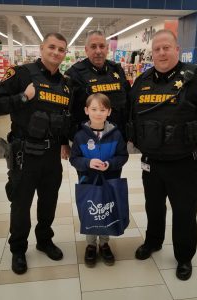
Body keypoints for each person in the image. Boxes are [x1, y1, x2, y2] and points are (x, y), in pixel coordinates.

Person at [128, 29, 197, 281]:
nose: (161, 53)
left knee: (184, 211)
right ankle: (153, 242)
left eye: (166, 48)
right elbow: (132, 116)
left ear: (176, 49)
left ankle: (184, 257)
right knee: (153, 207)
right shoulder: (142, 81)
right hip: (151, 161)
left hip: (184, 161)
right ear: (152, 53)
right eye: (157, 49)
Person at [0, 33, 71, 275]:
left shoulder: (66, 84)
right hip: (25, 154)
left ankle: (44, 240)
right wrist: (24, 97)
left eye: (61, 49)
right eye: (52, 47)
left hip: (52, 155)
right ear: (42, 48)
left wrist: (65, 142)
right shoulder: (21, 73)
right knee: (21, 204)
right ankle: (18, 249)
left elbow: (64, 119)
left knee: (49, 201)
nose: (56, 52)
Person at [69, 93, 128, 267]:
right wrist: (87, 163)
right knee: (91, 212)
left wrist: (109, 164)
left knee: (107, 211)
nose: (98, 113)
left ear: (109, 112)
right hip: (88, 181)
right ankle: (90, 245)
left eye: (102, 110)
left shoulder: (116, 135)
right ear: (86, 110)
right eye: (94, 109)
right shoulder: (80, 136)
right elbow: (74, 159)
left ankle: (104, 243)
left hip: (110, 180)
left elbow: (123, 156)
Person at [65, 29, 130, 140]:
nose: (98, 51)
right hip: (87, 140)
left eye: (101, 46)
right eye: (93, 47)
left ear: (107, 48)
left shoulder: (117, 70)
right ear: (86, 50)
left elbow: (128, 102)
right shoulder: (74, 73)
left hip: (117, 138)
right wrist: (64, 141)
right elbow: (66, 110)